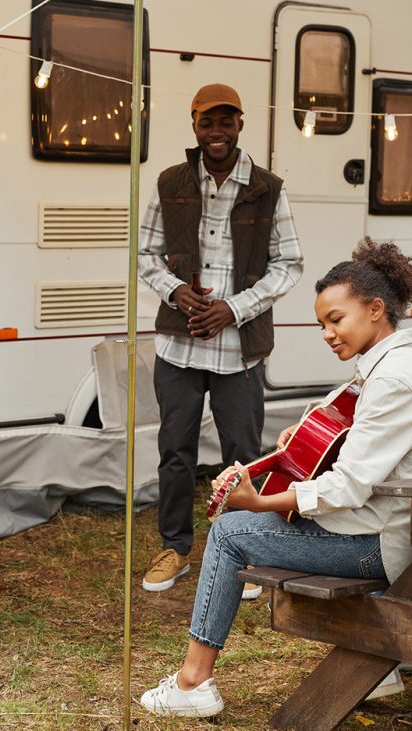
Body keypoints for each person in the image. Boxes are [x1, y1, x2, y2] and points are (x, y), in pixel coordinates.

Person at [140, 239, 412, 717]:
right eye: (322, 325)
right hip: (399, 524)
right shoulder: (405, 359)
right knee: (243, 527)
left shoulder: (393, 378)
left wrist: (263, 504)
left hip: (386, 542)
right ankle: (380, 669)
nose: (328, 333)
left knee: (229, 534)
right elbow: (344, 409)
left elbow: (347, 487)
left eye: (336, 319)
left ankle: (193, 684)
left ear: (376, 309)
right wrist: (306, 426)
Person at [137, 82, 303, 593]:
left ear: (240, 125)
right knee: (175, 451)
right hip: (180, 345)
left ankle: (247, 547)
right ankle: (175, 549)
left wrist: (233, 308)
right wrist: (176, 294)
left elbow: (289, 264)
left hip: (239, 347)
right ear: (194, 126)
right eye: (208, 122)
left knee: (242, 454)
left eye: (226, 122)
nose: (217, 132)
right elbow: (145, 256)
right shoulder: (169, 182)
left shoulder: (268, 188)